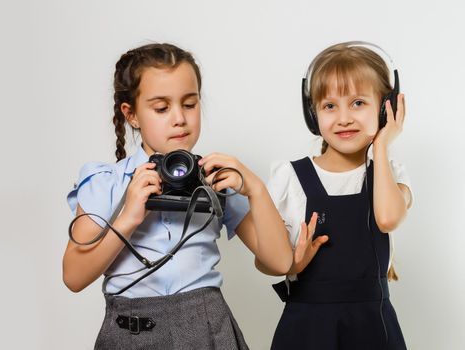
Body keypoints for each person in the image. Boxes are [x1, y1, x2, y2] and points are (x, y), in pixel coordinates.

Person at [63, 43, 292, 350]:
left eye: (189, 104)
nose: (179, 119)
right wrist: (130, 216)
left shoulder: (214, 178)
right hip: (129, 333)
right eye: (161, 108)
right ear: (131, 115)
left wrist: (255, 188)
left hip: (207, 330)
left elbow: (279, 261)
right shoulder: (106, 182)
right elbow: (74, 277)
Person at [267, 42, 413, 349]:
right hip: (306, 329)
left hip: (374, 328)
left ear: (386, 108)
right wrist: (292, 265)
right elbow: (263, 261)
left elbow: (386, 218)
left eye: (358, 103)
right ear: (313, 114)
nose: (344, 118)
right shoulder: (289, 178)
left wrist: (382, 146)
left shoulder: (390, 174)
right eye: (330, 106)